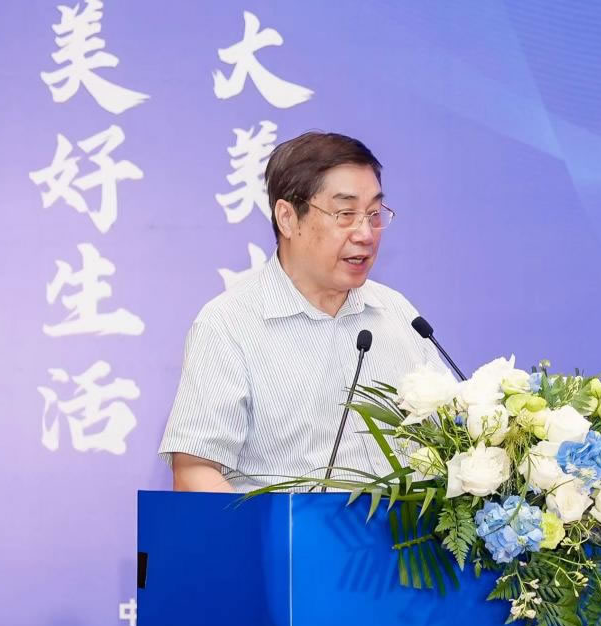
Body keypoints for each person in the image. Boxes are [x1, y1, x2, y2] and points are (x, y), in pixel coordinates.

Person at [159, 132, 444, 491]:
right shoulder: (229, 325)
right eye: (345, 214)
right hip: (288, 529)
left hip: (406, 528)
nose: (366, 234)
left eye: (373, 214)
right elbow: (195, 470)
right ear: (288, 218)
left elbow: (451, 434)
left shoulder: (399, 313)